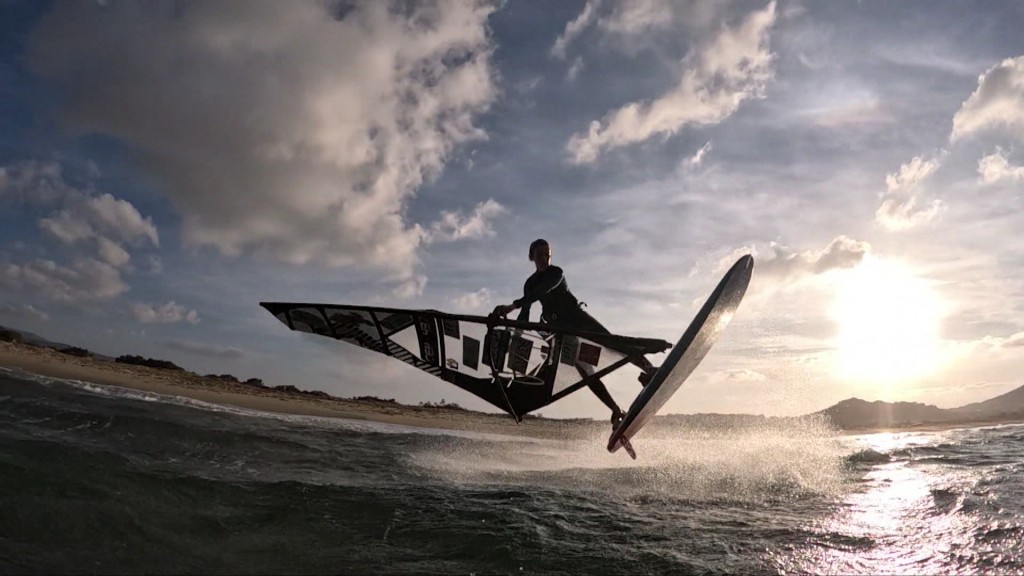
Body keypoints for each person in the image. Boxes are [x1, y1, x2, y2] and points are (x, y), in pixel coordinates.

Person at [491, 238, 657, 427]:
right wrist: (513, 333)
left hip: (580, 321)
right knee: (587, 374)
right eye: (540, 256)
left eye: (548, 255)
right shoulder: (529, 284)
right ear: (531, 257)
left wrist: (511, 305)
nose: (544, 259)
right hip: (563, 332)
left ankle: (649, 370)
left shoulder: (556, 273)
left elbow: (542, 291)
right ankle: (616, 412)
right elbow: (525, 313)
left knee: (614, 343)